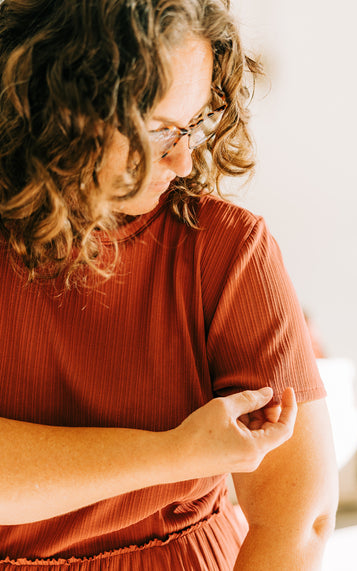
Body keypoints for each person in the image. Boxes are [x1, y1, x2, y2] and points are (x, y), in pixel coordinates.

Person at [0, 0, 338, 569]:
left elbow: (300, 517)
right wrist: (176, 453)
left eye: (193, 125)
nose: (184, 160)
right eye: (158, 131)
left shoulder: (227, 249)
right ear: (60, 111)